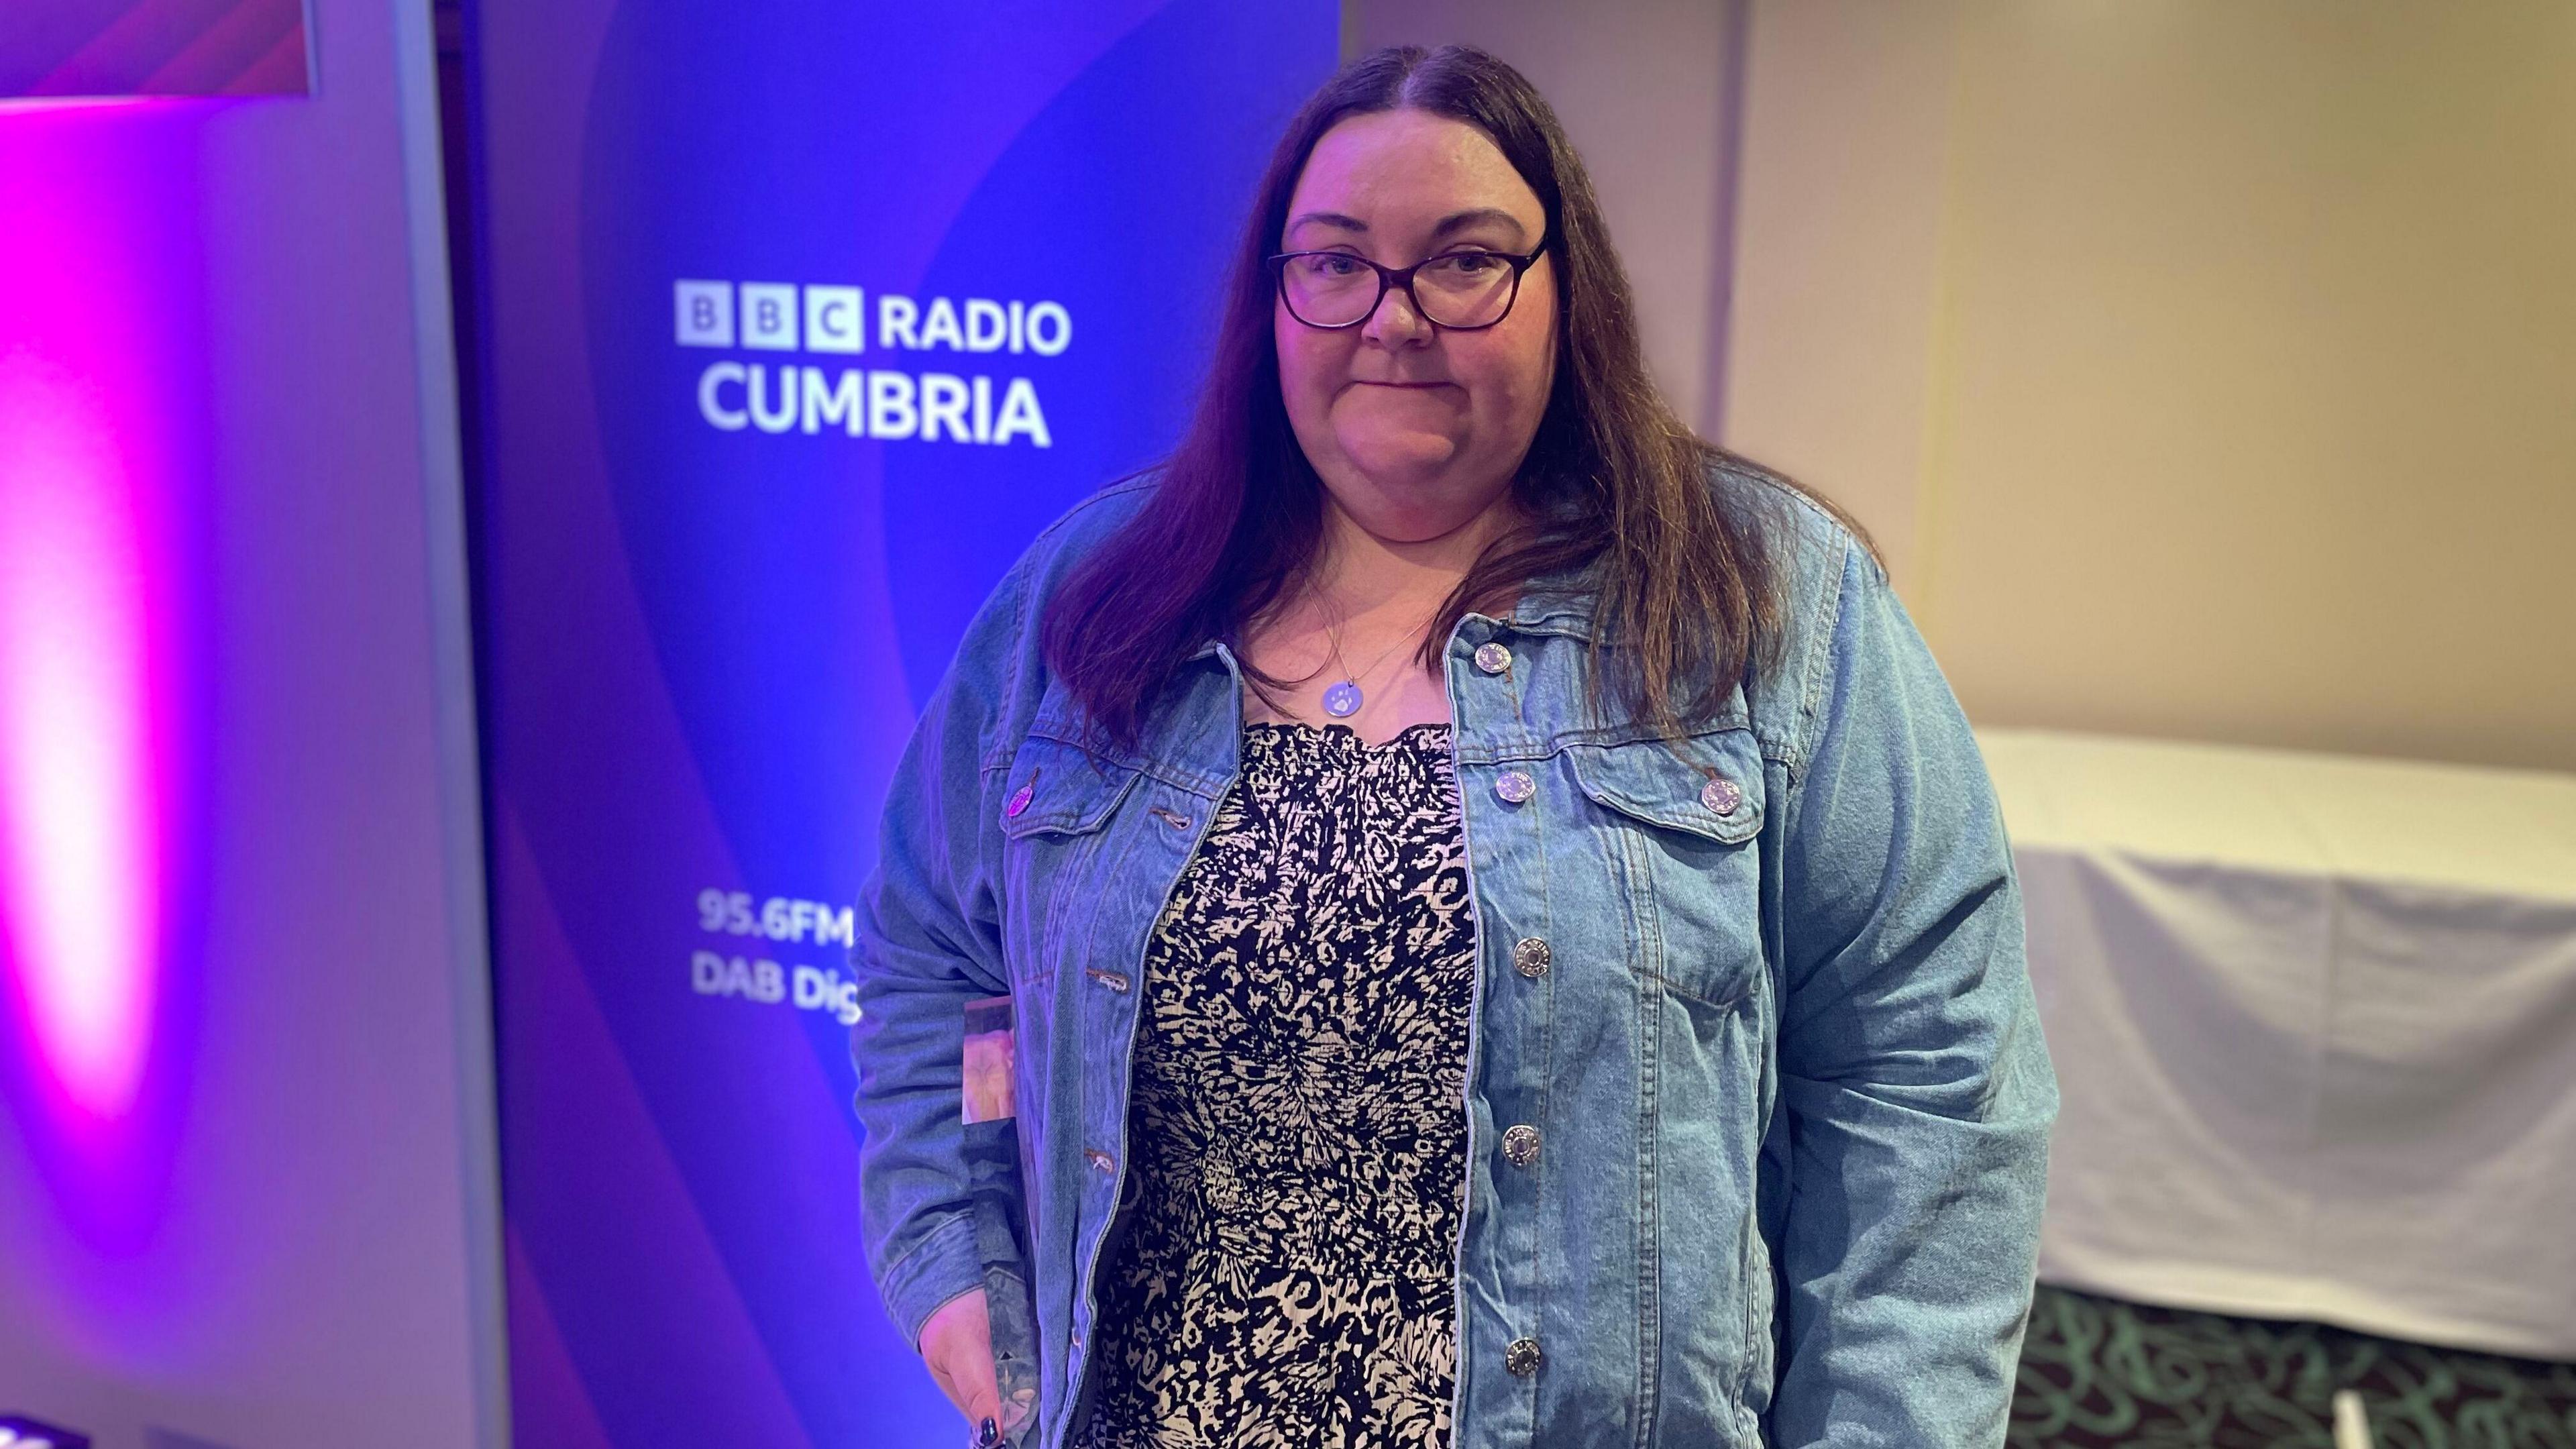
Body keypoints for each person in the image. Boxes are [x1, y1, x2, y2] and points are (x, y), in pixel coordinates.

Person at [851, 42, 2056, 1449]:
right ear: (1276, 298)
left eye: (1465, 260)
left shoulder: (1761, 599)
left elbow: (1936, 1081)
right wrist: (955, 1261)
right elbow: (935, 958)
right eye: (1338, 261)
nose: (1394, 318)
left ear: (1564, 292)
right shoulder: (1093, 598)